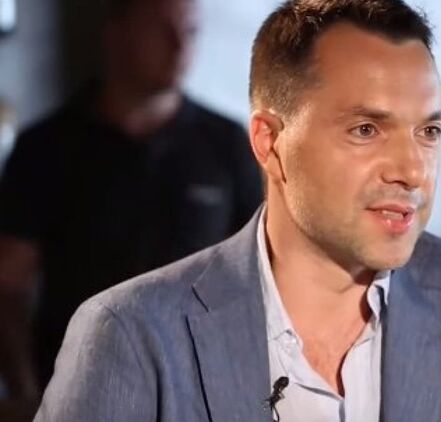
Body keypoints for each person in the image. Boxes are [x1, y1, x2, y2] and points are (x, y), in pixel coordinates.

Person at [34, 0, 441, 420]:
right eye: (366, 129)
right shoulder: (131, 335)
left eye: (429, 132)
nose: (411, 170)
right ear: (270, 144)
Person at [0, 0, 263, 398]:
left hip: (198, 392)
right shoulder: (46, 148)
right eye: (162, 29)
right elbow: (10, 287)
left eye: (189, 31)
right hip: (81, 392)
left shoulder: (226, 145)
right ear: (117, 34)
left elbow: (260, 276)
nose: (180, 45)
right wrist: (25, 394)